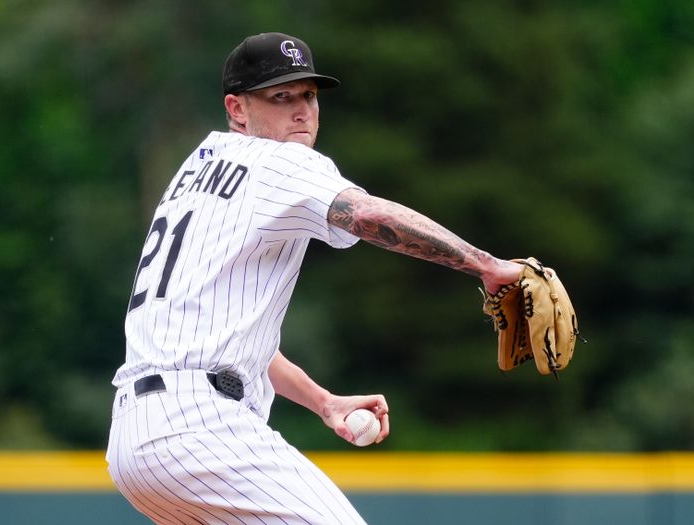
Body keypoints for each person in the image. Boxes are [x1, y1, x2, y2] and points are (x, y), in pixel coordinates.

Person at [106, 32, 523, 524]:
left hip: (139, 438)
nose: (302, 111)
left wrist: (323, 402)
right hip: (198, 428)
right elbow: (365, 215)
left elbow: (228, 337)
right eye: (280, 97)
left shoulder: (199, 169)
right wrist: (487, 266)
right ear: (237, 109)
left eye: (308, 95)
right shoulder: (280, 161)